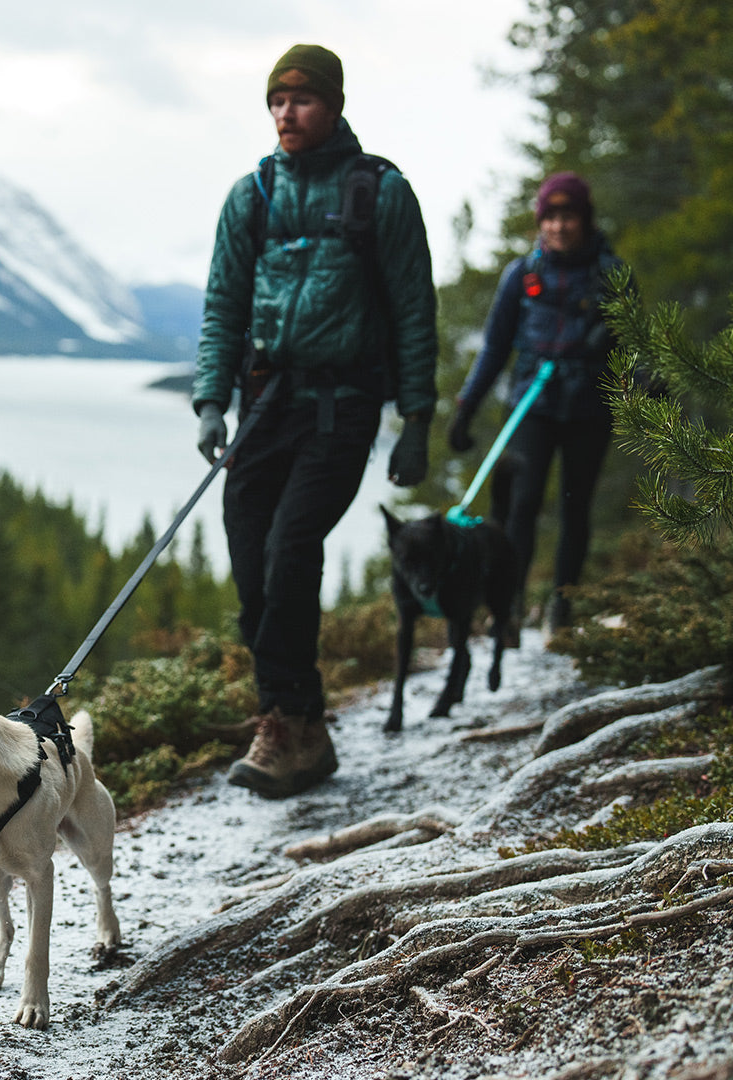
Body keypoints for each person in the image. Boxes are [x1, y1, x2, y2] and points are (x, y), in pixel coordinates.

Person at [193, 44, 438, 798]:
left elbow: (411, 307)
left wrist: (417, 417)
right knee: (247, 548)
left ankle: (290, 722)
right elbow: (223, 307)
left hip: (344, 404)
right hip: (265, 400)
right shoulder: (253, 194)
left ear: (331, 104)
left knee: (292, 547)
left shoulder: (380, 192)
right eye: (275, 101)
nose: (285, 113)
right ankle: (290, 716)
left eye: (300, 100)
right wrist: (210, 400)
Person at [447, 172, 624, 634]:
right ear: (539, 222)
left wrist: (643, 382)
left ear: (585, 220)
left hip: (590, 407)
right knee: (520, 505)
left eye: (569, 217)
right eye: (551, 217)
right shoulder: (521, 275)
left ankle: (560, 607)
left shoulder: (612, 275)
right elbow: (494, 348)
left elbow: (634, 347)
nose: (560, 226)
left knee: (575, 506)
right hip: (532, 406)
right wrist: (466, 407)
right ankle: (508, 607)